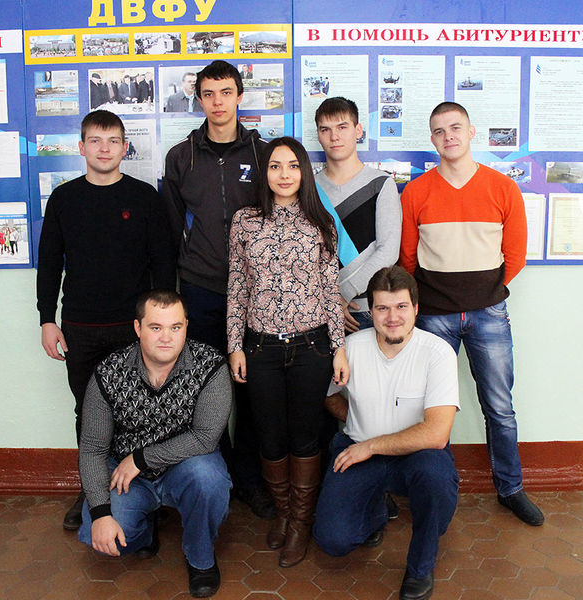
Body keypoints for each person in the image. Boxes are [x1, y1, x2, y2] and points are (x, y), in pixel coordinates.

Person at [400, 101, 544, 526]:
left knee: (499, 406)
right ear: (432, 139)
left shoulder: (502, 187)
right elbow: (408, 257)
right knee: (430, 406)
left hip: (488, 314)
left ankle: (511, 488)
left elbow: (515, 255)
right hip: (433, 316)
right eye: (439, 131)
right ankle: (435, 490)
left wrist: (486, 293)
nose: (449, 136)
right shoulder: (417, 192)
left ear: (471, 131)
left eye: (455, 127)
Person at [37, 110, 175, 531]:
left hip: (133, 328)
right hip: (80, 327)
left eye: (113, 140)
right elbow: (49, 263)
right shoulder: (63, 199)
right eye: (95, 140)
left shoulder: (144, 197)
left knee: (141, 410)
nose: (104, 148)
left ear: (124, 147)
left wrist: (159, 323)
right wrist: (47, 319)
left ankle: (142, 488)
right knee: (89, 412)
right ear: (81, 147)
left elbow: (163, 263)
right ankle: (92, 487)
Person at [227, 136, 349, 568]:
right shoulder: (244, 221)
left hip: (311, 346)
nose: (284, 174)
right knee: (269, 435)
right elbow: (237, 286)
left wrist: (339, 349)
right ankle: (283, 512)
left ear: (304, 172)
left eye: (293, 166)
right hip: (260, 347)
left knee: (305, 435)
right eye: (275, 166)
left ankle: (300, 521)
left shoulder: (321, 222)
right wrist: (234, 345)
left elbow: (331, 290)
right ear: (264, 173)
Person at [163, 60, 274, 520]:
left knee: (251, 389)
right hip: (201, 289)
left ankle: (249, 479)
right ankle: (220, 472)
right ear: (199, 99)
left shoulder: (264, 154)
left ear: (239, 96)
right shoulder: (182, 156)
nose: (217, 102)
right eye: (208, 94)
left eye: (226, 92)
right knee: (207, 387)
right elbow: (170, 229)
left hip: (255, 294)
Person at [314, 266, 460, 600]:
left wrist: (372, 445)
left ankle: (420, 568)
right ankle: (376, 510)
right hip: (358, 449)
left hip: (417, 457)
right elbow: (329, 396)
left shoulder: (438, 352)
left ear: (416, 308)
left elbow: (437, 434)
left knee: (435, 484)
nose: (392, 317)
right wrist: (358, 425)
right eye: (382, 308)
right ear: (371, 310)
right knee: (333, 540)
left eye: (401, 307)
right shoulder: (350, 347)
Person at [78, 290, 230, 598]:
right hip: (127, 477)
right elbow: (93, 449)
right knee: (102, 534)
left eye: (175, 327)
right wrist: (101, 514)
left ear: (186, 327)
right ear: (138, 328)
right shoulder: (109, 372)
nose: (166, 337)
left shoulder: (210, 366)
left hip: (185, 466)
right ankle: (145, 530)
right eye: (156, 327)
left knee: (210, 480)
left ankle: (200, 556)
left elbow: (205, 437)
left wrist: (142, 458)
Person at [315, 97, 401, 333]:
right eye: (325, 129)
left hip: (370, 309)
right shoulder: (309, 188)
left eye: (342, 127)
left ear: (358, 131)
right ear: (319, 135)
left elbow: (389, 250)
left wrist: (344, 293)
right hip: (321, 310)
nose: (334, 137)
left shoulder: (381, 183)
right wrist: (330, 301)